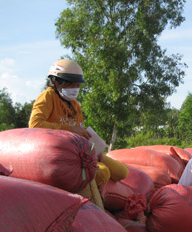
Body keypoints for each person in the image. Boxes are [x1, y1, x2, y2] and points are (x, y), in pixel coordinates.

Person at [29, 59, 128, 192]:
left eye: (78, 85)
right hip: (62, 155)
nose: (75, 89)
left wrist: (94, 151)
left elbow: (80, 132)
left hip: (80, 153)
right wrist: (70, 129)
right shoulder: (48, 97)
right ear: (57, 83)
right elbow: (34, 125)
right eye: (72, 85)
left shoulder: (75, 105)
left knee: (122, 171)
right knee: (103, 172)